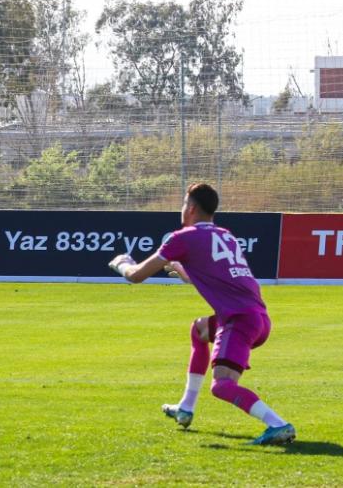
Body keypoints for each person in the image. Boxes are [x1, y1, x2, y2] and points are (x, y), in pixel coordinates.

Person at [108, 183, 295, 446]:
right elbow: (216, 276)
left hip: (238, 320)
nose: (182, 209)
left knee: (222, 386)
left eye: (184, 204)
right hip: (257, 317)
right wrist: (181, 269)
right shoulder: (225, 235)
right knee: (199, 330)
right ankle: (185, 408)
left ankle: (278, 424)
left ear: (192, 208)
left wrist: (121, 264)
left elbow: (136, 275)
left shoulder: (182, 237)